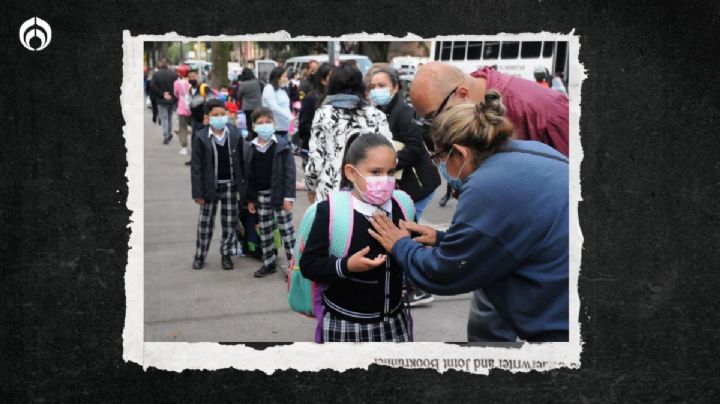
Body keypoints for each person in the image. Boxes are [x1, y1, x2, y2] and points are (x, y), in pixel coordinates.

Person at [368, 92, 569, 342]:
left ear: (460, 153)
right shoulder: (533, 151)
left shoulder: (486, 185)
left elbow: (444, 272)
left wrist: (400, 245)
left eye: (440, 158)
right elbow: (504, 236)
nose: (441, 167)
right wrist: (442, 239)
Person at [300, 133, 413, 342]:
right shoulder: (331, 212)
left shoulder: (403, 206)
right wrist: (346, 266)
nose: (385, 180)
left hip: (394, 321)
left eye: (390, 172)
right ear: (351, 172)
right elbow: (309, 265)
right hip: (345, 323)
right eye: (375, 172)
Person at [410, 61, 569, 157]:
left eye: (435, 116)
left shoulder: (543, 111)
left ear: (462, 93)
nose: (437, 127)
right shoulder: (467, 102)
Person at [304, 62, 392, 203]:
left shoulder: (324, 114)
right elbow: (390, 156)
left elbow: (316, 161)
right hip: (369, 194)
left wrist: (311, 187)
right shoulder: (377, 115)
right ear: (361, 86)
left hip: (331, 195)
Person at [368, 66, 441, 221]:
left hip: (418, 183)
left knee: (408, 228)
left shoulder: (404, 112)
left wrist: (387, 165)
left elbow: (413, 148)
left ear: (395, 87)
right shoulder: (378, 112)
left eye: (382, 86)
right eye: (373, 87)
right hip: (401, 185)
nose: (376, 90)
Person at [190, 99, 245, 271]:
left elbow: (242, 162)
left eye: (223, 114)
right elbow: (196, 167)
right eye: (215, 115)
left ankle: (226, 254)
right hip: (209, 187)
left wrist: (243, 186)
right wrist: (198, 192)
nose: (220, 118)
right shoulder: (201, 137)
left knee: (229, 222)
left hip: (230, 185)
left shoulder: (235, 135)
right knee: (205, 223)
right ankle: (200, 255)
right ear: (207, 117)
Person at [243, 107, 296, 278]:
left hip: (280, 196)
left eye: (268, 122)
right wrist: (250, 199)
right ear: (253, 127)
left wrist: (289, 197)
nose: (264, 126)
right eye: (260, 123)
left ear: (274, 124)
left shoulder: (282, 145)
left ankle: (293, 267)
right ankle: (268, 262)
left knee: (287, 231)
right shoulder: (250, 147)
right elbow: (248, 176)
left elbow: (289, 173)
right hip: (260, 197)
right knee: (265, 231)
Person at [297, 63, 334, 167]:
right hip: (314, 150)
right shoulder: (311, 98)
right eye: (331, 77)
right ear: (323, 80)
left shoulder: (335, 97)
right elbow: (303, 125)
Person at [149, 58, 178, 145]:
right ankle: (169, 134)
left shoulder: (156, 74)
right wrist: (173, 96)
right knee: (169, 117)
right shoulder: (174, 74)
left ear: (160, 65)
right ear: (168, 65)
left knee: (164, 118)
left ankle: (166, 135)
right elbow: (177, 87)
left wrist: (162, 94)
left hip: (161, 100)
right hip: (172, 100)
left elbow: (152, 86)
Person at [261, 67, 292, 141]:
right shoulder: (269, 88)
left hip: (284, 128)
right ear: (277, 77)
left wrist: (291, 126)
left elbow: (286, 107)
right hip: (274, 129)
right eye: (284, 76)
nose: (286, 79)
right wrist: (289, 116)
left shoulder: (282, 90)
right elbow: (273, 107)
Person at [237, 68, 263, 140]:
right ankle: (257, 134)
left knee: (249, 122)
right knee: (257, 120)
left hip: (247, 107)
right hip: (258, 105)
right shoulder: (257, 82)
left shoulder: (243, 84)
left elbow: (239, 95)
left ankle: (250, 135)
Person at [174, 64, 192, 156]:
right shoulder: (191, 82)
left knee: (183, 128)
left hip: (182, 107)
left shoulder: (177, 83)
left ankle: (184, 147)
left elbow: (176, 94)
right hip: (193, 107)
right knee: (196, 127)